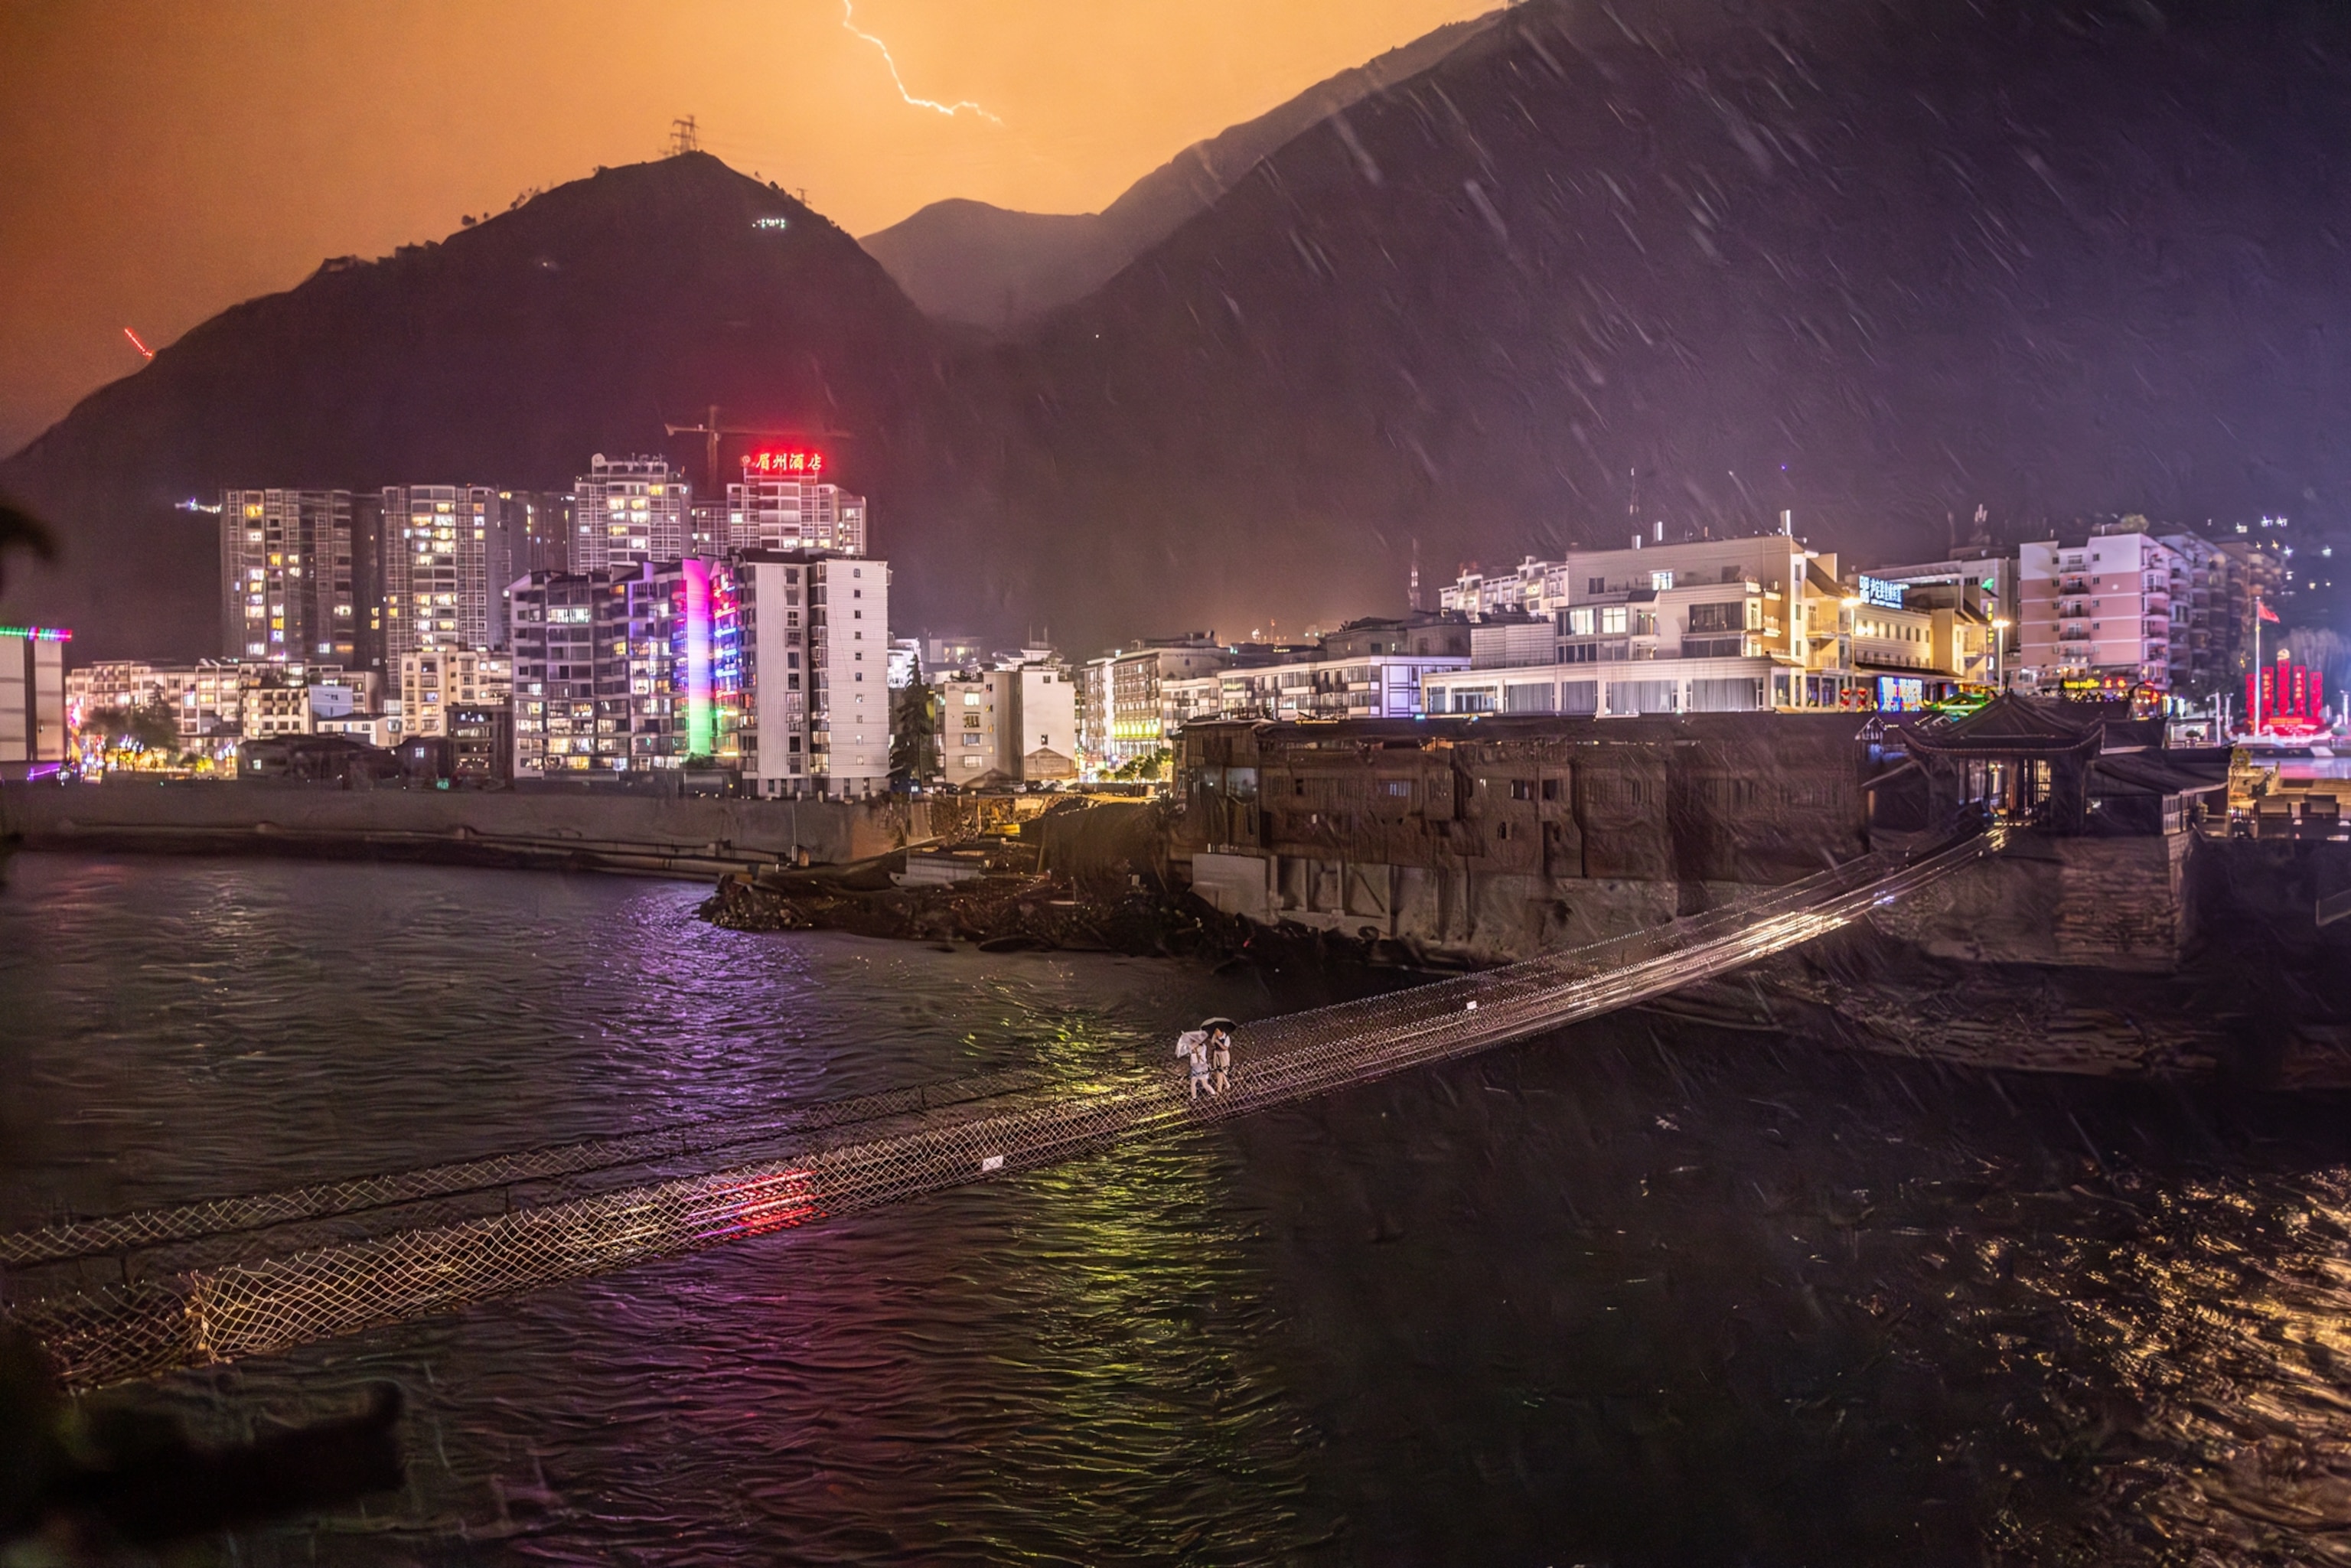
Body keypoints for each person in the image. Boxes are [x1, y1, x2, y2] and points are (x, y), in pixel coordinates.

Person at [1174, 1028, 1211, 1100]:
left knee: (1203, 1083)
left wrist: (1191, 1048)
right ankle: (1195, 1097)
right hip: (1200, 1066)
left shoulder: (1197, 1048)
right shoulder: (1203, 1046)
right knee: (1195, 1083)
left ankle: (1211, 1094)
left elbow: (1194, 1057)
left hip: (1199, 1067)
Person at [1209, 1026, 1232, 1097]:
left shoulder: (1226, 1038)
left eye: (1217, 1031)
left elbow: (1225, 1048)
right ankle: (1227, 1085)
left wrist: (1218, 1042)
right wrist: (1214, 1038)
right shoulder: (1216, 1037)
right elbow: (1212, 1043)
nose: (1216, 1033)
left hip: (1224, 1054)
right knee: (1218, 1071)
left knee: (1221, 1071)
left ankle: (1219, 1090)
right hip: (1217, 1054)